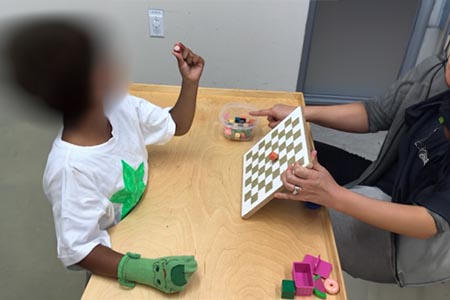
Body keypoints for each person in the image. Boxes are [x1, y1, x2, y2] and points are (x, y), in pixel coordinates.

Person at [4, 16, 204, 293]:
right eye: (100, 61)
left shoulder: (121, 107)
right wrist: (145, 270)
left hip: (151, 219)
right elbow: (79, 249)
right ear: (94, 80)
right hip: (116, 253)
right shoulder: (69, 170)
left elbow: (176, 125)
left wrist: (190, 82)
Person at [251, 53, 450, 287]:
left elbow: (429, 222)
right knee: (286, 163)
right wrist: (301, 114)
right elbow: (376, 113)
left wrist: (335, 196)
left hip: (402, 240)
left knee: (282, 227)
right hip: (381, 178)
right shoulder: (437, 72)